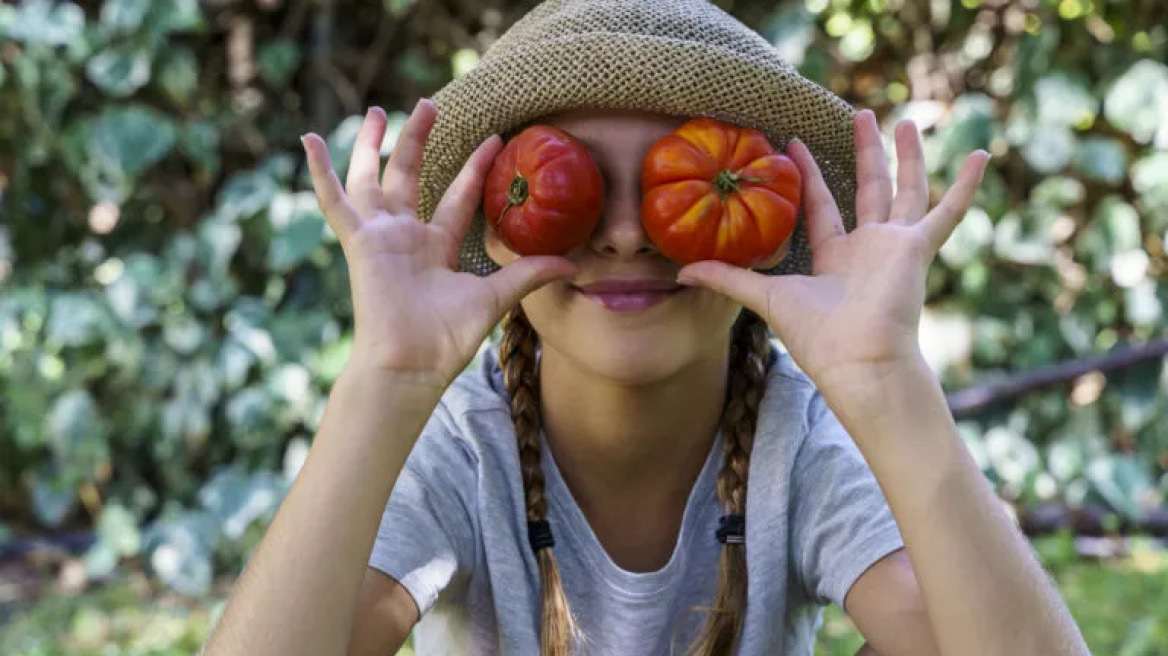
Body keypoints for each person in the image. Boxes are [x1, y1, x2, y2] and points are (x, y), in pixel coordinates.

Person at [202, 1, 1089, 654]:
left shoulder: (798, 446)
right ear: (499, 231)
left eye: (685, 186)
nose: (626, 234)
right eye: (575, 188)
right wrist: (385, 379)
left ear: (768, 230)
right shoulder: (466, 451)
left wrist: (888, 380)